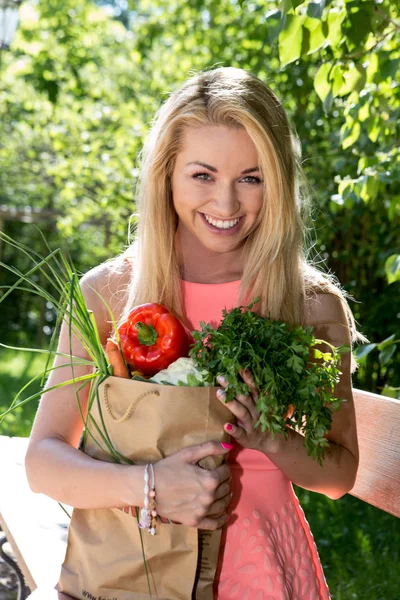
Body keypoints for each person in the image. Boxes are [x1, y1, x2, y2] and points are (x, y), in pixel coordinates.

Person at [25, 66, 363, 599]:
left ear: (277, 182)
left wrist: (269, 436)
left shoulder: (311, 305)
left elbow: (339, 473)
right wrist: (149, 487)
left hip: (262, 570)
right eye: (202, 176)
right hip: (139, 571)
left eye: (251, 178)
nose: (226, 205)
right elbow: (43, 461)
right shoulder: (109, 293)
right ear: (167, 174)